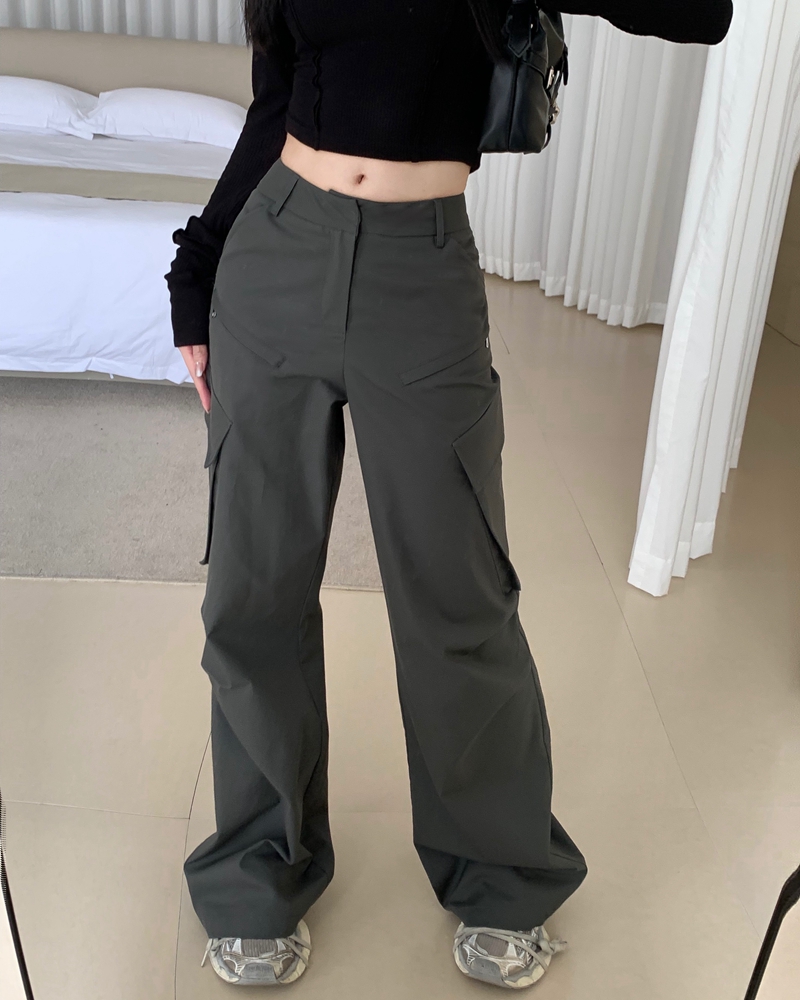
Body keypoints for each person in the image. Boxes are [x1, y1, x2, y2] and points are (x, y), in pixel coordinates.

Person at [165, 0, 733, 989]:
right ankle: (257, 872)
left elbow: (701, 15)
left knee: (457, 595)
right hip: (278, 254)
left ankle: (500, 876)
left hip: (419, 273)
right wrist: (200, 263)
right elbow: (275, 100)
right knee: (253, 591)